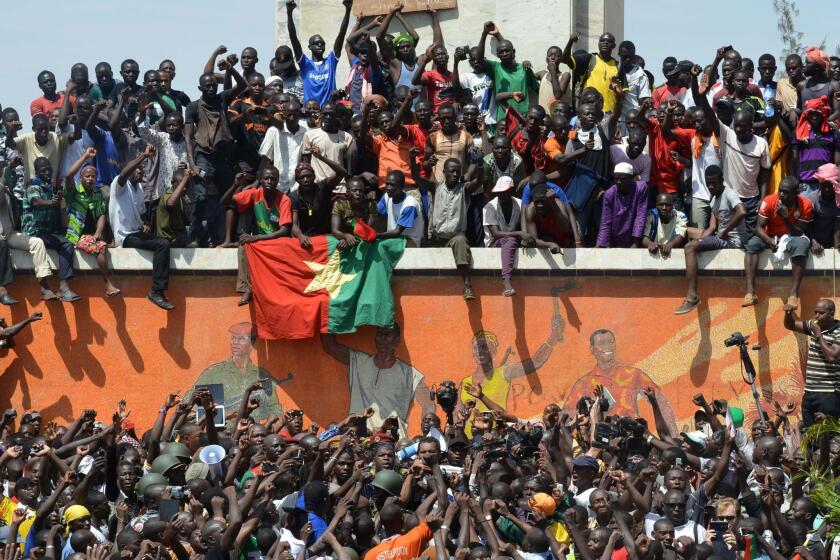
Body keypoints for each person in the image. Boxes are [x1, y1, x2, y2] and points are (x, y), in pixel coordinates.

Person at [321, 325, 436, 436]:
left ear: (397, 340)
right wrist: (327, 310)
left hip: (391, 440)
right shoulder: (359, 362)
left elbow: (429, 405)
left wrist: (427, 436)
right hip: (359, 437)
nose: (383, 338)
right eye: (380, 334)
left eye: (387, 334)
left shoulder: (409, 373)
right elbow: (330, 346)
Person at [675, 165, 746, 315]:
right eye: (708, 184)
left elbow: (742, 211)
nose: (711, 186)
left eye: (714, 183)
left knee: (689, 248)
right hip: (719, 236)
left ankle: (692, 296)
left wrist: (725, 231)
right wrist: (700, 242)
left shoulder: (729, 194)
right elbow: (712, 227)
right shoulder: (713, 199)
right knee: (686, 232)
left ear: (722, 180)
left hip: (732, 242)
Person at [410, 150, 480, 300]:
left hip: (454, 238)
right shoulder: (435, 187)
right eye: (452, 171)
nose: (455, 174)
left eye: (458, 172)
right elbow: (416, 177)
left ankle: (467, 285)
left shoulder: (464, 189)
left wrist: (479, 164)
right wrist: (412, 158)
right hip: (436, 238)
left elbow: (480, 181)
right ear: (444, 172)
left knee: (461, 240)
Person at [110, 145, 174, 310]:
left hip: (136, 232)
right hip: (125, 237)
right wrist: (144, 155)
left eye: (142, 170)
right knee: (162, 244)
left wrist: (145, 224)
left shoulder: (139, 189)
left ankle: (157, 290)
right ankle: (156, 291)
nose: (140, 172)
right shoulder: (119, 185)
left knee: (165, 242)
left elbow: (143, 214)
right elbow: (124, 173)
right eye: (137, 169)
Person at [222, 167, 293, 306]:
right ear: (260, 180)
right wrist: (236, 185)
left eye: (273, 179)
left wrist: (256, 238)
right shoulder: (255, 194)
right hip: (259, 241)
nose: (269, 181)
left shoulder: (284, 199)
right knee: (244, 244)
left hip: (277, 241)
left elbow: (284, 231)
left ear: (278, 181)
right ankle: (246, 289)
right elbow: (225, 202)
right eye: (266, 178)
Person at [743, 176, 813, 310]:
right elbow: (758, 228)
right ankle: (750, 293)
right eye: (780, 190)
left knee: (802, 246)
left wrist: (785, 217)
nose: (781, 194)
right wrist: (769, 241)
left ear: (796, 193)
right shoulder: (769, 200)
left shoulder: (806, 205)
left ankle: (793, 295)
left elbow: (799, 232)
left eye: (786, 192)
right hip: (770, 235)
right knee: (752, 245)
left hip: (792, 236)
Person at [190, 322, 283, 422]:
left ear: (252, 343)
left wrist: (265, 427)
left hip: (253, 433)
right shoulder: (214, 372)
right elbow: (189, 403)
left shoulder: (262, 375)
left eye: (241, 339)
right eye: (233, 338)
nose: (235, 342)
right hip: (222, 433)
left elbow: (274, 409)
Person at [62, 148, 119, 297]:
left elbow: (101, 215)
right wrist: (85, 156)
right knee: (101, 247)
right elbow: (68, 175)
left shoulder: (97, 193)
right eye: (87, 176)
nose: (90, 179)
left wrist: (98, 232)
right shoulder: (73, 192)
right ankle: (107, 284)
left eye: (93, 177)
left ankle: (108, 285)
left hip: (91, 235)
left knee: (101, 245)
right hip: (76, 235)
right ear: (81, 178)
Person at [21, 158, 80, 302]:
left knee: (66, 244)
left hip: (50, 232)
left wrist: (60, 201)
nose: (47, 172)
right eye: (43, 170)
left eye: (49, 169)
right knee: (42, 244)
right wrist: (50, 202)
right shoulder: (33, 187)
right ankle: (45, 288)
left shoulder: (52, 188)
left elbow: (62, 211)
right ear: (37, 172)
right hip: (34, 231)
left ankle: (63, 287)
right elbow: (36, 201)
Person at [287, 0, 353, 106]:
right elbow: (293, 38)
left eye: (322, 43)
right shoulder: (305, 64)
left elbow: (341, 34)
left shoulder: (331, 61)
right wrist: (289, 13)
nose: (320, 45)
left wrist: (348, 10)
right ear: (310, 47)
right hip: (311, 112)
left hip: (329, 112)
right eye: (316, 43)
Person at [476, 22, 539, 125]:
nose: (504, 54)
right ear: (498, 55)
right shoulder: (496, 68)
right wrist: (484, 34)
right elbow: (479, 60)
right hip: (504, 118)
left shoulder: (524, 68)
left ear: (513, 52)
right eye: (501, 52)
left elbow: (537, 89)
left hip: (523, 118)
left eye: (507, 51)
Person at [483, 176, 527, 296]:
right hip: (493, 244)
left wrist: (524, 237)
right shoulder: (490, 207)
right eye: (499, 192)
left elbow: (524, 225)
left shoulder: (520, 204)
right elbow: (496, 234)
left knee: (514, 240)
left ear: (512, 191)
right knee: (510, 239)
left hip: (511, 241)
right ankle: (506, 281)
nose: (501, 195)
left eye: (504, 192)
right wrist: (519, 234)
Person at [792, 95, 840, 193]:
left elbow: (837, 162)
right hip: (805, 185)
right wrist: (795, 181)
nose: (814, 117)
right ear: (807, 115)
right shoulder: (800, 134)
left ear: (823, 114)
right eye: (811, 114)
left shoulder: (833, 134)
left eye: (817, 114)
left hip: (827, 184)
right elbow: (794, 159)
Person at [564, 31, 619, 114]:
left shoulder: (617, 66)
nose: (605, 43)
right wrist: (570, 41)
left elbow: (622, 93)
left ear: (614, 46)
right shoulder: (589, 59)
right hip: (589, 113)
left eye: (609, 41)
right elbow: (565, 59)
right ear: (598, 44)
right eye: (602, 41)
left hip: (610, 114)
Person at [596, 162, 649, 248]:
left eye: (622, 179)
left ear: (631, 178)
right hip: (615, 235)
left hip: (634, 236)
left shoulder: (641, 188)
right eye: (616, 179)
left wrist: (636, 243)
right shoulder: (609, 194)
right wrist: (600, 245)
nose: (618, 182)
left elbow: (641, 216)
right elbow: (605, 222)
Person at [377, 170, 424, 248]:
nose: (388, 188)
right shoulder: (387, 197)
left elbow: (397, 232)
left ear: (402, 187)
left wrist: (376, 235)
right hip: (393, 238)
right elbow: (376, 213)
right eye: (387, 184)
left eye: (392, 185)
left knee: (381, 245)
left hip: (409, 241)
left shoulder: (409, 205)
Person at [806, 163, 840, 254]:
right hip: (813, 239)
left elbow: (838, 226)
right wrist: (813, 242)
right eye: (824, 186)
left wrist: (836, 250)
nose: (827, 189)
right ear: (820, 184)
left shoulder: (839, 200)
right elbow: (808, 224)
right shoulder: (811, 199)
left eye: (830, 186)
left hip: (832, 239)